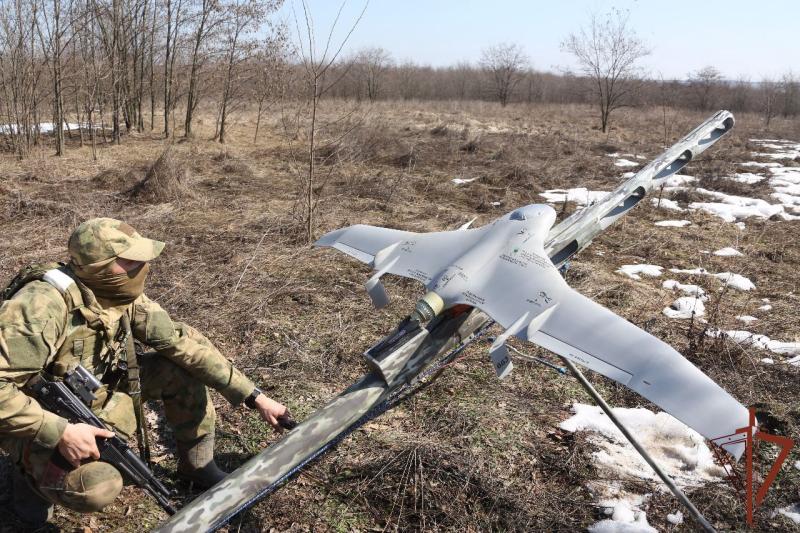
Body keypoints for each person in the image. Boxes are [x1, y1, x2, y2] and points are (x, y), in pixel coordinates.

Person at [0, 218, 289, 527]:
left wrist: (254, 396)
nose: (144, 266)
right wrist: (60, 431)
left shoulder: (118, 296)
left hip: (92, 394)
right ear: (101, 267)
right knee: (99, 486)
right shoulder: (39, 308)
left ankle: (197, 466)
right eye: (132, 261)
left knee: (177, 369)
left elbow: (182, 344)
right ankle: (28, 488)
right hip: (30, 417)